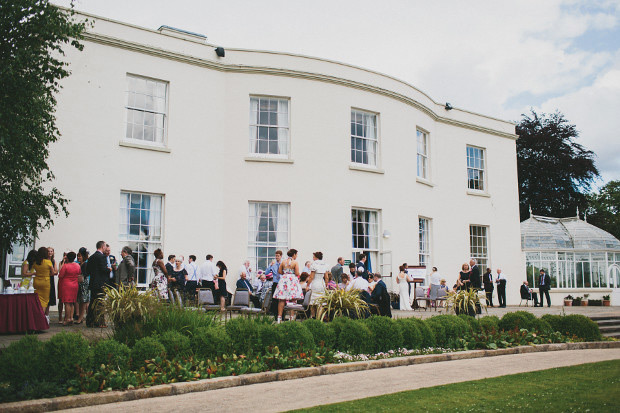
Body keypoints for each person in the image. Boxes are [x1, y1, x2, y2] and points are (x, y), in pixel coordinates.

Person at [273, 249, 304, 323]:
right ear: (293, 254)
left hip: (284, 280)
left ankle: (279, 318)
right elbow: (296, 273)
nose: (296, 256)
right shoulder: (295, 262)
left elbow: (280, 271)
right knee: (293, 299)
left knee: (282, 299)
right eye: (296, 254)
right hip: (292, 280)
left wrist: (286, 272)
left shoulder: (283, 262)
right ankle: (291, 317)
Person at [86, 241, 110, 327]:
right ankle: (100, 322)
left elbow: (87, 270)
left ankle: (90, 321)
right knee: (100, 303)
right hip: (100, 283)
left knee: (93, 302)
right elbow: (103, 270)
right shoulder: (102, 257)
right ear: (102, 246)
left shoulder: (91, 257)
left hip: (93, 283)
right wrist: (109, 269)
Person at [32, 246, 57, 322]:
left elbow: (33, 269)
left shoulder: (35, 262)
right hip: (45, 281)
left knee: (37, 299)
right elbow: (53, 273)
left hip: (36, 281)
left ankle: (35, 315)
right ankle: (41, 318)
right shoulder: (48, 262)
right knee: (45, 301)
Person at [59, 251, 80, 326]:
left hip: (66, 285)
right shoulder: (77, 265)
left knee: (67, 302)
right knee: (72, 302)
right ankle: (71, 317)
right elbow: (79, 273)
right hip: (75, 285)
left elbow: (60, 275)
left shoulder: (66, 266)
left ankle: (67, 318)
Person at [265, 250, 284, 316]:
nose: (277, 257)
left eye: (278, 256)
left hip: (282, 284)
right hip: (275, 283)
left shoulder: (283, 264)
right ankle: (276, 315)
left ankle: (282, 315)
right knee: (275, 300)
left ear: (281, 256)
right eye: (276, 256)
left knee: (282, 299)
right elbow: (266, 273)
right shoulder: (273, 265)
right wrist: (270, 266)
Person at [76, 248, 90, 324]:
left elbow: (85, 274)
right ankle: (83, 317)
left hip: (84, 285)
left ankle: (81, 318)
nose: (78, 258)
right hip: (80, 284)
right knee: (81, 301)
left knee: (84, 301)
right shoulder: (78, 264)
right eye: (78, 256)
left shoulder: (85, 264)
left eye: (80, 256)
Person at [47, 247, 60, 322]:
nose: (50, 253)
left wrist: (51, 273)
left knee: (49, 297)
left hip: (50, 279)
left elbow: (55, 272)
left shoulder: (53, 261)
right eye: (48, 251)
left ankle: (47, 314)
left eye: (51, 251)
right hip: (46, 279)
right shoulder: (44, 260)